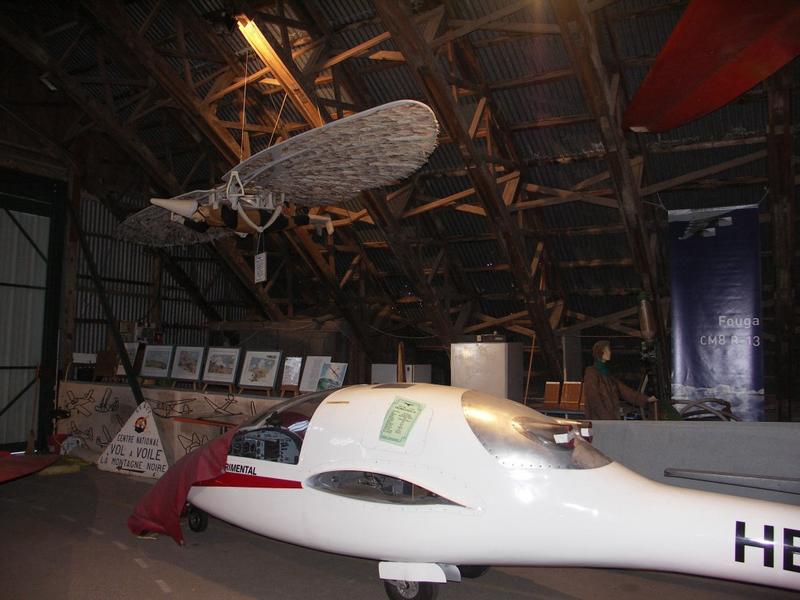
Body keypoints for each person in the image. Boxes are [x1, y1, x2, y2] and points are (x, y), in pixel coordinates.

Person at [580, 340, 657, 420]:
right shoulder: (592, 372)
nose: (610, 352)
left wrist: (646, 399)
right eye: (608, 350)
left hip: (610, 418)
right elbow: (594, 398)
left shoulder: (607, 374)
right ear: (601, 352)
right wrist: (606, 417)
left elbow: (624, 391)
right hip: (600, 420)